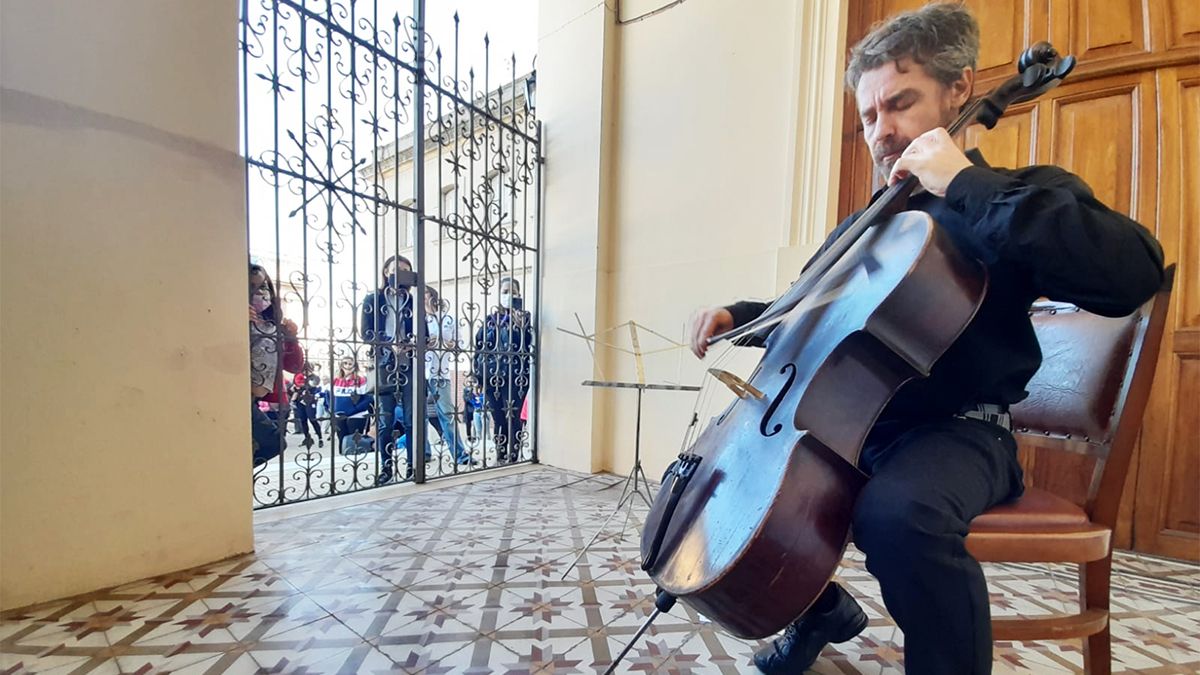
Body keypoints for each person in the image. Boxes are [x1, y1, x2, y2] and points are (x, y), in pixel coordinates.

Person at [686, 5, 1165, 674]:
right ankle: (821, 609)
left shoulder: (1012, 197)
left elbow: (1133, 271)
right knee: (756, 499)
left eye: (899, 103)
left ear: (958, 89)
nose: (881, 131)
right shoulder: (864, 226)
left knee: (897, 514)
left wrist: (964, 182)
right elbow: (810, 317)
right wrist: (740, 316)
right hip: (853, 431)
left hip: (961, 434)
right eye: (868, 117)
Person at [361, 255, 421, 482]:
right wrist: (388, 343)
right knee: (385, 420)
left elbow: (422, 332)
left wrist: (413, 342)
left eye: (405, 270)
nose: (400, 273)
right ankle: (386, 468)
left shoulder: (412, 301)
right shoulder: (374, 299)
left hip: (408, 362)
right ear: (386, 272)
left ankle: (413, 467)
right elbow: (366, 332)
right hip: (384, 362)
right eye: (396, 269)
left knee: (411, 418)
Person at [473, 276, 535, 464]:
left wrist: (521, 327)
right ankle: (500, 455)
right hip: (493, 376)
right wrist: (478, 377)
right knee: (498, 417)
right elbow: (480, 349)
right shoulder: (490, 320)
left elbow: (528, 346)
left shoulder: (525, 318)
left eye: (513, 292)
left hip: (516, 376)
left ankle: (513, 455)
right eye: (505, 292)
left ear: (519, 295)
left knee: (514, 417)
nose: (509, 295)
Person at [250, 264, 304, 467]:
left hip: (260, 400)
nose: (259, 293)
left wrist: (291, 338)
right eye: (252, 287)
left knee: (270, 443)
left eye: (263, 287)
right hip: (238, 398)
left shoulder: (272, 325)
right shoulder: (233, 318)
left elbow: (294, 366)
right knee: (273, 442)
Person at [424, 286, 475, 466]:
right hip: (419, 371)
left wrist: (450, 344)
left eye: (425, 294)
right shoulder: (416, 319)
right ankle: (423, 453)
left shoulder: (448, 319)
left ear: (433, 297)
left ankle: (460, 454)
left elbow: (460, 345)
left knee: (447, 413)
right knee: (418, 415)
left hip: (441, 372)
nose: (422, 298)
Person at [331, 356, 372, 455]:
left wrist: (354, 409)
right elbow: (330, 397)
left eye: (350, 364)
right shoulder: (336, 380)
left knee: (355, 440)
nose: (347, 366)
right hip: (339, 415)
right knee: (342, 440)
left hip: (357, 415)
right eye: (345, 363)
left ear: (355, 366)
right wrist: (332, 409)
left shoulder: (361, 380)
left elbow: (368, 398)